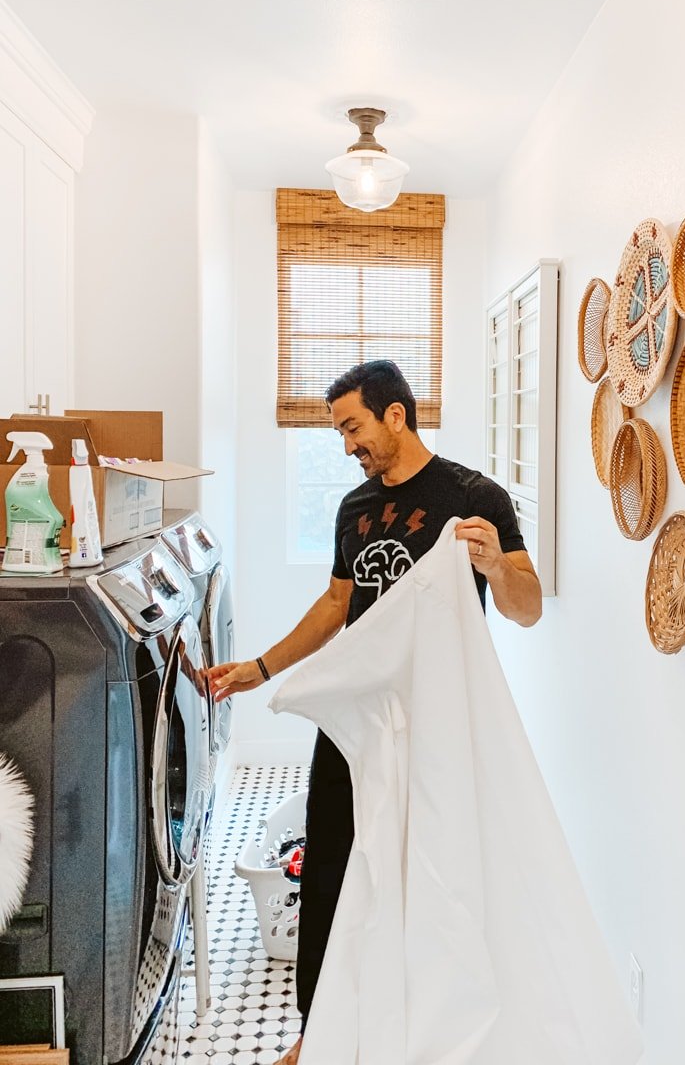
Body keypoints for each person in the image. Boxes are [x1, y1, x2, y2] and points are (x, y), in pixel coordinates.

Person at [207, 359, 542, 1064]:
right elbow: (337, 605)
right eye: (339, 432)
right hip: (359, 718)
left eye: (353, 427)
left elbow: (528, 606)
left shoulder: (474, 497)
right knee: (331, 862)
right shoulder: (354, 509)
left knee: (433, 866)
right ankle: (318, 1031)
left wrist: (494, 566)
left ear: (396, 414)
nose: (347, 445)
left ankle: (429, 1024)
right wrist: (259, 667)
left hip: (439, 719)